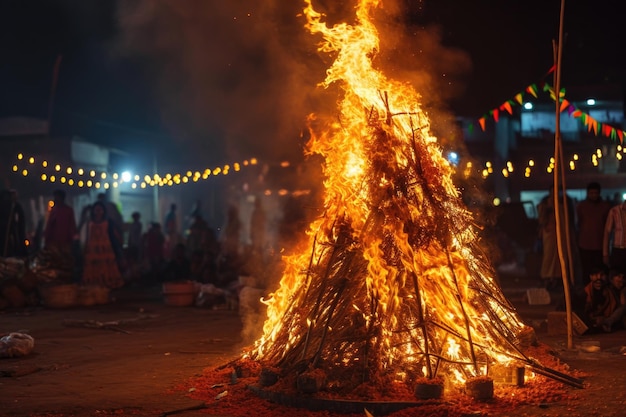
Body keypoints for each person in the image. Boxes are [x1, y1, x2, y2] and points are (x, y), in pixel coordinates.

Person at [537, 188, 579, 290]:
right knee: (549, 255)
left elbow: (570, 217)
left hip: (563, 232)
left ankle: (560, 278)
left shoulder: (566, 201)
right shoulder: (545, 202)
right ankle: (547, 277)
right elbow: (541, 218)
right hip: (550, 233)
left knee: (562, 255)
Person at [81, 201, 124, 289]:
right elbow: (86, 235)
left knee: (106, 267)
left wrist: (120, 242)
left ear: (103, 211)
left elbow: (115, 234)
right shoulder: (89, 223)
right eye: (96, 210)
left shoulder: (108, 222)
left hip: (105, 248)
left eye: (100, 210)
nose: (98, 212)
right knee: (93, 268)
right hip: (93, 248)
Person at [576, 182, 611, 285]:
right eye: (591, 193)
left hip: (599, 244)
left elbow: (607, 227)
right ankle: (587, 293)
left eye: (596, 193)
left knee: (600, 271)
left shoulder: (605, 207)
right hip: (585, 244)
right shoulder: (581, 206)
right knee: (586, 271)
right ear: (587, 193)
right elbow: (579, 223)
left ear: (599, 193)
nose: (593, 195)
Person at [603, 197, 626, 272]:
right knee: (618, 275)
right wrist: (605, 253)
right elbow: (607, 232)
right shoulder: (614, 211)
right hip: (618, 250)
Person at [600, 268, 626, 332]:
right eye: (619, 277)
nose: (621, 279)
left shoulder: (623, 290)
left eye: (623, 277)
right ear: (612, 279)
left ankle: (608, 323)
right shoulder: (608, 290)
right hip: (613, 316)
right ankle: (607, 323)